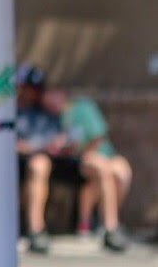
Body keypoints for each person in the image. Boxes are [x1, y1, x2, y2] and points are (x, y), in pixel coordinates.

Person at [15, 65, 75, 254]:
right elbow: (13, 144)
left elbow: (64, 136)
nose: (34, 93)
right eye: (30, 87)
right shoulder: (11, 111)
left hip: (55, 162)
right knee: (38, 165)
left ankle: (100, 227)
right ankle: (36, 229)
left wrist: (62, 143)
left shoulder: (48, 112)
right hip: (22, 163)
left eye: (38, 88)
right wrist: (39, 148)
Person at [63, 96, 132, 252]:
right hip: (79, 161)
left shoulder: (83, 108)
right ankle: (110, 227)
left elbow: (98, 136)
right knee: (102, 169)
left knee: (121, 172)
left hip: (100, 156)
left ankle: (98, 220)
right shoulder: (55, 117)